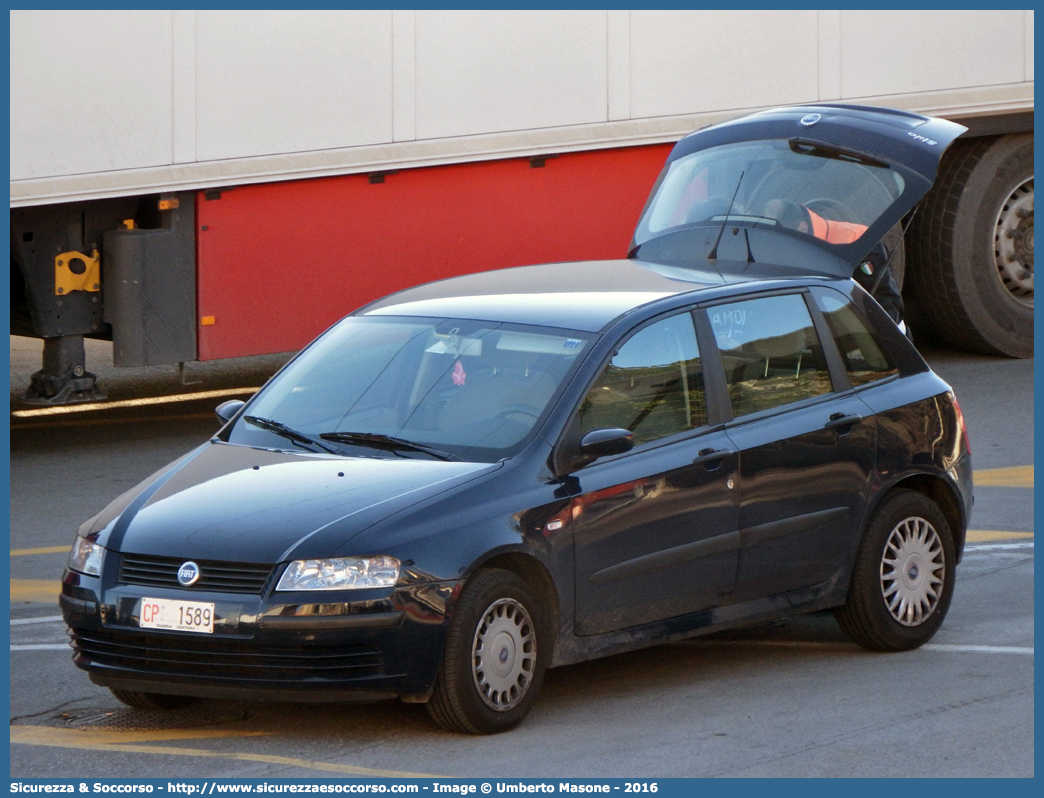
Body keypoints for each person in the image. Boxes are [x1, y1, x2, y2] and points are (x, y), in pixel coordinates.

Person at [763, 199, 907, 333]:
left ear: (803, 228)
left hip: (862, 333)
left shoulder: (858, 241)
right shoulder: (794, 242)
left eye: (785, 240)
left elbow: (886, 302)